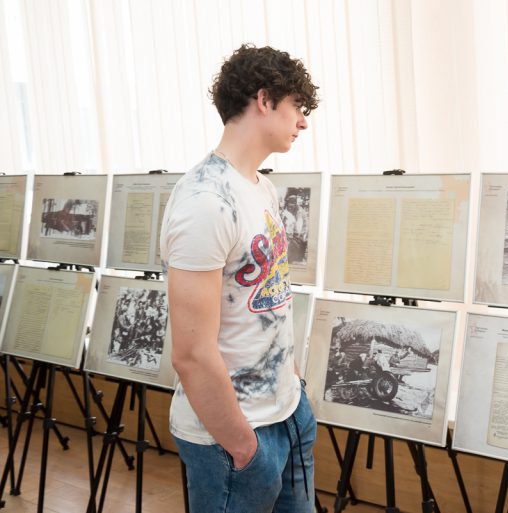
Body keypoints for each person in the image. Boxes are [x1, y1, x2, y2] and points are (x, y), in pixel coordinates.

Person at [160, 44, 319, 513]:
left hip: (287, 413)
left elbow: (267, 297)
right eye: (297, 107)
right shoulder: (204, 201)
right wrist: (242, 445)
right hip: (235, 437)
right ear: (264, 100)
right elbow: (191, 354)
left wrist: (294, 387)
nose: (303, 122)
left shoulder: (260, 186)